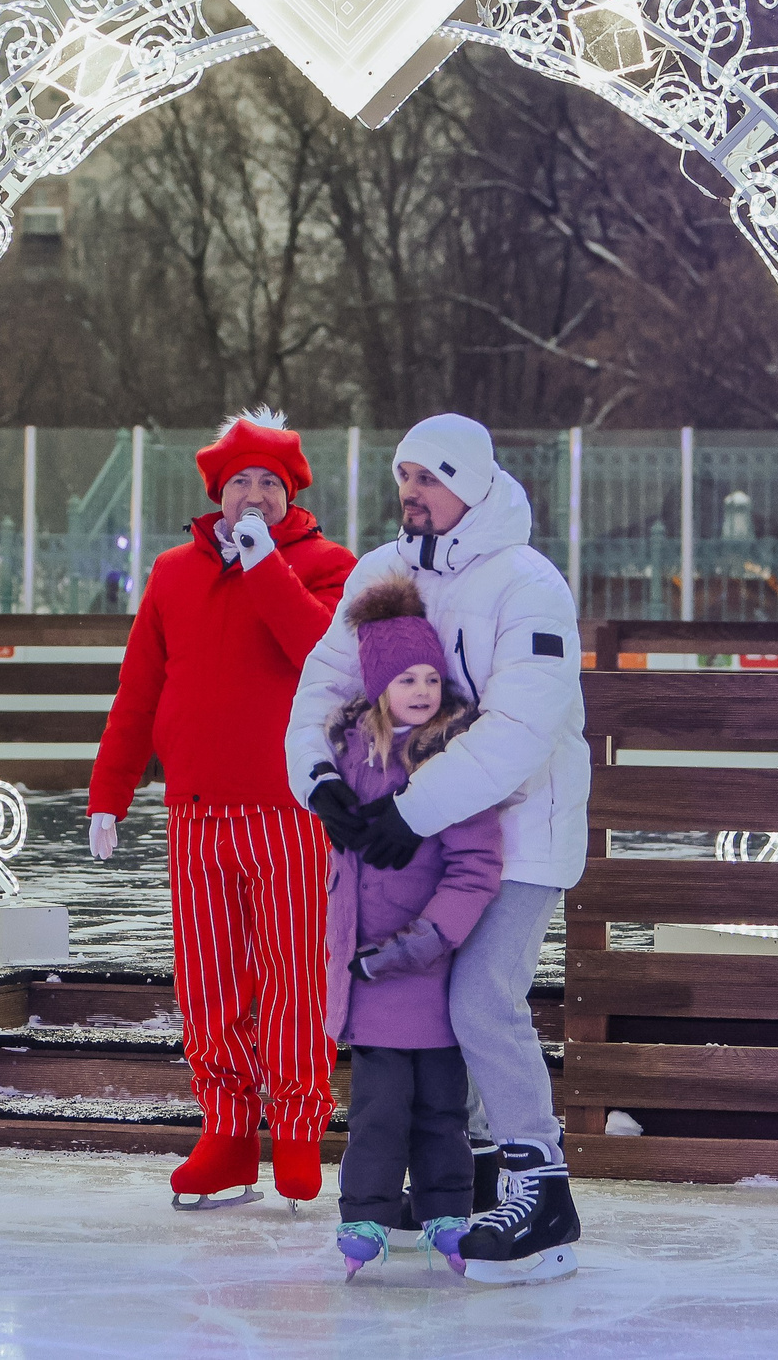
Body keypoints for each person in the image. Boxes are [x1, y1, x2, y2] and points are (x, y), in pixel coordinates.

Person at [287, 412, 590, 1286]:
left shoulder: (528, 583)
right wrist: (323, 782)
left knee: (481, 997)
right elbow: (325, 686)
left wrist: (412, 810)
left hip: (523, 830)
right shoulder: (384, 574)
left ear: (472, 482)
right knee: (430, 1003)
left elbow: (520, 727)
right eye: (403, 478)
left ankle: (543, 1187)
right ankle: (467, 1184)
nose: (411, 494)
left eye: (429, 477)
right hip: (421, 838)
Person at [85, 408, 355, 1210]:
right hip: (198, 813)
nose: (254, 493)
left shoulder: (329, 566)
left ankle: (300, 1129)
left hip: (292, 811)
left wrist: (265, 564)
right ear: (216, 489)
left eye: (271, 481)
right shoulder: (172, 573)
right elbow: (138, 693)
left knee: (297, 975)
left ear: (293, 492)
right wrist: (111, 792)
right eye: (241, 479)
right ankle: (229, 1133)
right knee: (207, 981)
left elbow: (317, 652)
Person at [317, 577, 502, 1281]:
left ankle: (446, 1210)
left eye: (430, 675)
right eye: (405, 677)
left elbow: (476, 863)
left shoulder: (453, 761)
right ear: (377, 686)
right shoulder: (351, 760)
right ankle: (364, 1212)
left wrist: (421, 943)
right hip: (372, 978)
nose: (422, 688)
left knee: (441, 1109)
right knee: (378, 1109)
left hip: (430, 965)